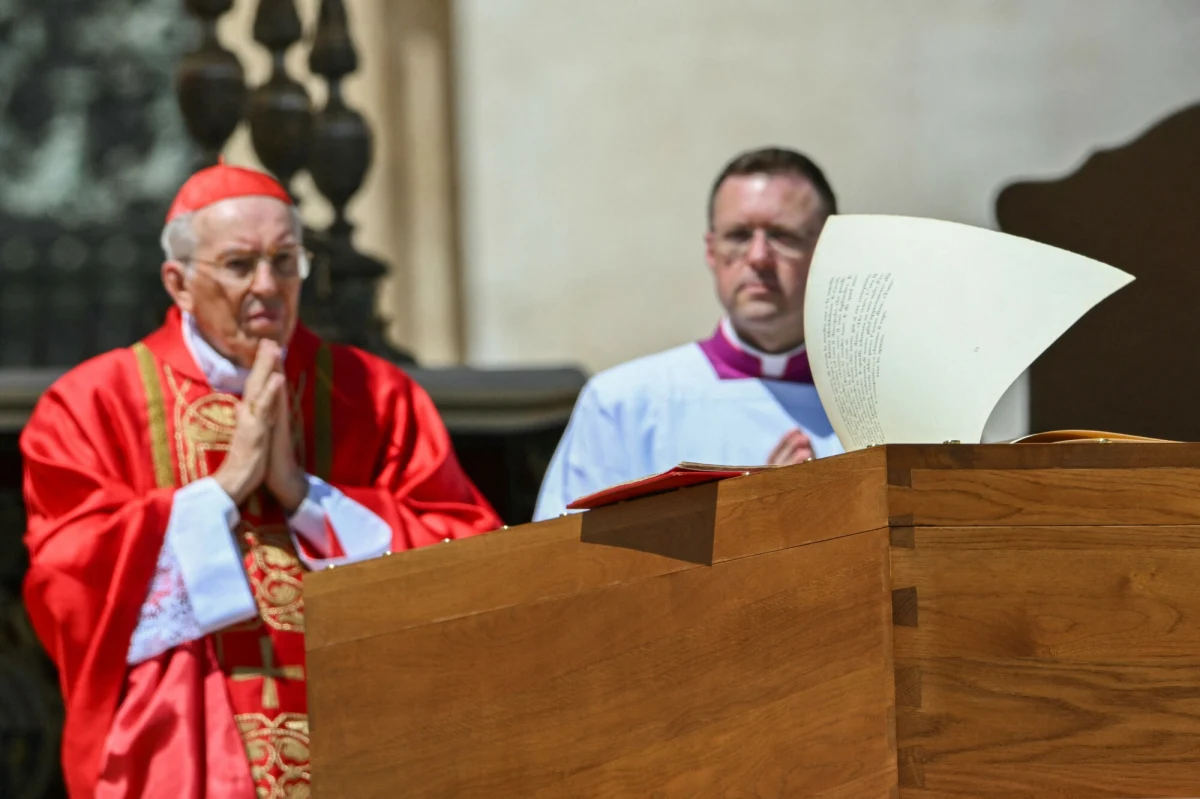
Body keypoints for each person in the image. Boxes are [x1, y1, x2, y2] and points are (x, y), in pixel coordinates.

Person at [21, 163, 502, 798]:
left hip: (366, 745)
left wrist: (307, 499)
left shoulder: (376, 397)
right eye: (240, 264)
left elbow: (471, 559)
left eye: (284, 260)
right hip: (184, 754)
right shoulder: (91, 403)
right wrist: (219, 493)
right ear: (180, 282)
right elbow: (65, 579)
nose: (268, 286)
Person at [534, 146, 843, 520]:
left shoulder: (881, 411)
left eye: (782, 236)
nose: (759, 256)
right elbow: (567, 563)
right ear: (712, 252)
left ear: (830, 250)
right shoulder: (622, 404)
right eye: (739, 235)